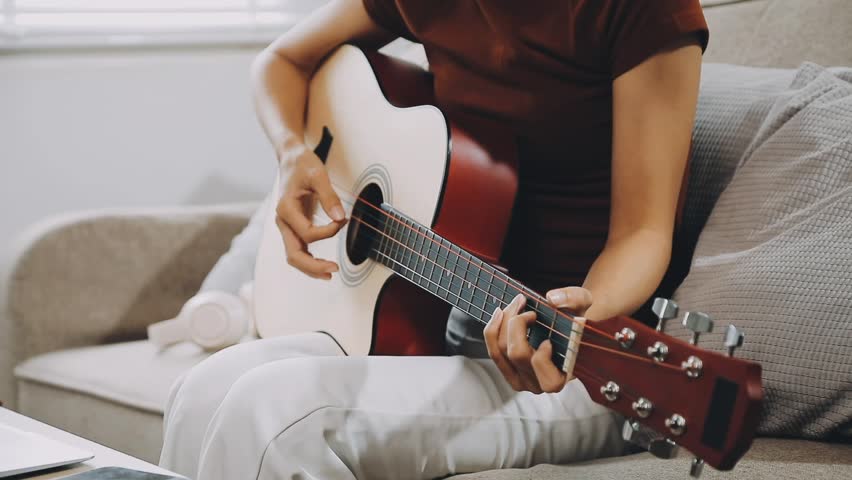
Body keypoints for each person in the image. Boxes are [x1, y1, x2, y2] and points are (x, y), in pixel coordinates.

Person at [159, 1, 708, 478]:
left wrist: (583, 315)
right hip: (440, 321)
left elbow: (642, 233)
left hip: (580, 368)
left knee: (269, 412)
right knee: (201, 390)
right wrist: (290, 154)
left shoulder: (641, 8)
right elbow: (280, 60)